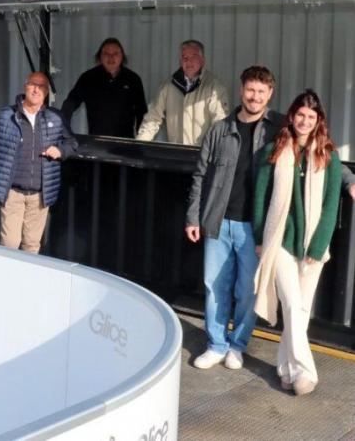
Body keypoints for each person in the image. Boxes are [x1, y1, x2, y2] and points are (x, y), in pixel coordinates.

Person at [186, 65, 282, 370]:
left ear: (270, 94)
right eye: (250, 90)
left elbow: (316, 148)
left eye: (261, 92)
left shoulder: (278, 130)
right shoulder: (219, 129)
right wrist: (192, 217)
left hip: (254, 228)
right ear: (242, 90)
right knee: (215, 286)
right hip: (218, 222)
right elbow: (200, 175)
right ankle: (216, 344)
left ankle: (237, 346)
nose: (254, 97)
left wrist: (347, 179)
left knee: (246, 291)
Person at [253, 90, 342, 396]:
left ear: (319, 121)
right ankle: (305, 372)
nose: (305, 121)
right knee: (291, 305)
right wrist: (259, 239)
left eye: (311, 117)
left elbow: (331, 205)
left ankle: (285, 370)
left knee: (301, 311)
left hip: (312, 246)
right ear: (291, 116)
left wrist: (318, 248)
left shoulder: (329, 156)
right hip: (279, 240)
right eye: (300, 115)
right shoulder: (273, 151)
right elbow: (261, 199)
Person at [0, 71, 78, 253]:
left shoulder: (56, 117)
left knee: (32, 246)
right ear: (25, 86)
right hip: (12, 193)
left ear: (47, 92)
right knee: (9, 245)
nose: (36, 89)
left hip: (40, 195)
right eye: (33, 84)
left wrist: (60, 150)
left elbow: (72, 143)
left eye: (41, 86)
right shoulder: (6, 115)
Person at [137, 40, 229, 146]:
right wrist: (140, 145)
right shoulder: (168, 86)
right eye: (184, 57)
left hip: (204, 155)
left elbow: (219, 122)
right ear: (180, 61)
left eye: (193, 56)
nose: (188, 61)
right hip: (177, 155)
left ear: (202, 60)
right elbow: (152, 118)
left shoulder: (215, 87)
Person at [61, 38, 147, 138]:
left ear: (122, 56)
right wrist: (63, 130)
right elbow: (71, 103)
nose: (111, 57)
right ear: (100, 56)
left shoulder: (133, 79)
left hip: (125, 142)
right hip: (96, 142)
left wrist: (141, 141)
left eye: (115, 53)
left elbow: (141, 112)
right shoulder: (88, 78)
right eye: (106, 53)